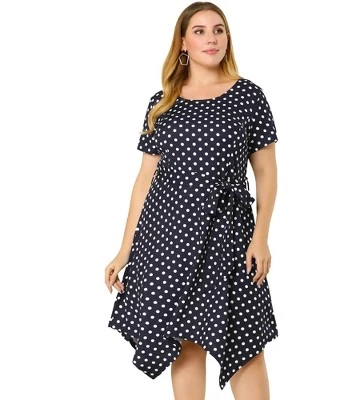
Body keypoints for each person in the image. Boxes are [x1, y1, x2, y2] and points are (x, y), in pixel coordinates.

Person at [105, 2, 279, 399]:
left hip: (229, 235)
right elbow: (145, 180)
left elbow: (266, 173)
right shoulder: (163, 102)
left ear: (227, 37)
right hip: (167, 237)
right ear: (183, 42)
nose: (211, 38)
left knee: (245, 341)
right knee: (183, 342)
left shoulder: (248, 96)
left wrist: (261, 236)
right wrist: (124, 249)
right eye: (199, 31)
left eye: (218, 30)